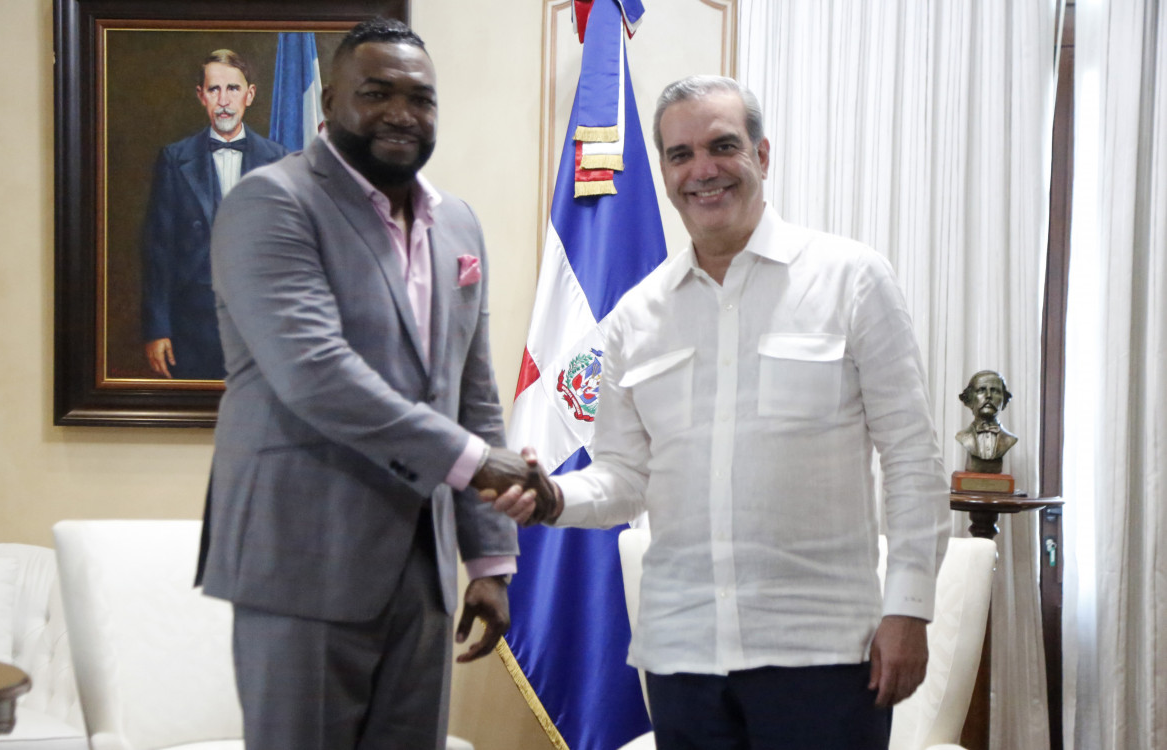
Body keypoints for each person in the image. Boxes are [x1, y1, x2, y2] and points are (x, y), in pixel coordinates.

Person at [489, 76, 950, 750]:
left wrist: (909, 608)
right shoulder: (635, 319)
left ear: (762, 155)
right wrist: (553, 496)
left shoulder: (852, 278)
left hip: (822, 652)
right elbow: (624, 477)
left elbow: (912, 457)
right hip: (682, 659)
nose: (702, 170)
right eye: (680, 155)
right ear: (665, 173)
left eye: (722, 146)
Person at [193, 19, 555, 750]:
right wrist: (477, 463)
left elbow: (472, 392)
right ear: (330, 102)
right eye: (377, 93)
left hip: (424, 571)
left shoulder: (458, 223)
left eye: (421, 98)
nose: (401, 113)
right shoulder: (271, 203)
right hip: (302, 562)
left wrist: (489, 562)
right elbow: (316, 373)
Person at [141, 49, 288, 380]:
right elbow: (158, 251)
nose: (224, 101)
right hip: (192, 326)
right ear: (201, 96)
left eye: (233, 89)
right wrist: (157, 328)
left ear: (250, 95)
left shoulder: (278, 158)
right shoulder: (174, 159)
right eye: (214, 89)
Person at [955, 369, 1018, 473]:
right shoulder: (962, 436)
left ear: (1004, 400)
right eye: (981, 390)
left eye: (995, 391)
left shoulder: (1009, 439)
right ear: (969, 399)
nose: (988, 395)